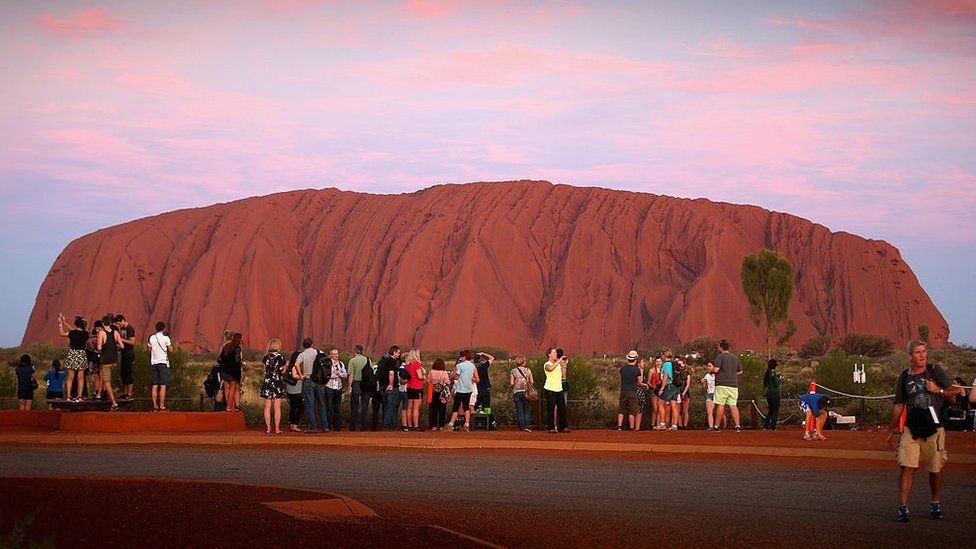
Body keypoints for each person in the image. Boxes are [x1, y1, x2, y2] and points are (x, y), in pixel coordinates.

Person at [886, 340, 959, 522]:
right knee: (907, 467)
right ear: (910, 356)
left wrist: (938, 389)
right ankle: (903, 508)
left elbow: (953, 393)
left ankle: (935, 503)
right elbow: (899, 405)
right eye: (917, 352)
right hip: (911, 429)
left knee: (935, 469)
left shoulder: (935, 371)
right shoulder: (904, 377)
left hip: (934, 428)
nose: (922, 355)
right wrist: (890, 430)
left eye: (924, 351)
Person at [709, 339, 742, 432]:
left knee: (720, 405)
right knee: (733, 405)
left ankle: (716, 426)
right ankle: (737, 426)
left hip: (722, 385)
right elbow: (740, 371)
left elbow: (716, 370)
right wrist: (731, 374)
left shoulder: (720, 357)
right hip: (734, 385)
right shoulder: (735, 357)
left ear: (720, 346)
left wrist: (710, 371)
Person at [296, 337, 327, 433]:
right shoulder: (319, 352)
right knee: (321, 403)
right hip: (319, 381)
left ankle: (313, 427)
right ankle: (325, 427)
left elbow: (296, 364)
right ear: (312, 344)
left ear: (303, 345)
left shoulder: (302, 354)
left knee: (310, 404)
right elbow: (326, 364)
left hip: (308, 380)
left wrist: (301, 375)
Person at [56, 315, 88, 402]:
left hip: (72, 354)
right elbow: (74, 329)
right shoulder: (86, 334)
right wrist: (64, 322)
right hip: (81, 354)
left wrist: (60, 324)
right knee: (80, 378)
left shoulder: (72, 333)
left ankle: (69, 396)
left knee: (70, 377)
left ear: (76, 324)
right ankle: (79, 396)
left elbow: (62, 333)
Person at [260, 339, 287, 434]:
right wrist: (285, 367)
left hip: (267, 382)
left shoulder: (266, 357)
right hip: (277, 382)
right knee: (277, 406)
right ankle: (277, 429)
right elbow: (283, 371)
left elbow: (265, 370)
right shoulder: (281, 357)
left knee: (267, 406)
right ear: (278, 346)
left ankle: (268, 429)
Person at [448, 350, 479, 432]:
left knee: (456, 407)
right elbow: (477, 379)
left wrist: (450, 378)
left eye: (461, 356)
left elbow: (456, 377)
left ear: (464, 357)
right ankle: (467, 424)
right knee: (466, 407)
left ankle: (450, 424)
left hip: (460, 389)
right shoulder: (473, 366)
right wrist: (470, 377)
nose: (460, 358)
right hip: (469, 390)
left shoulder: (459, 365)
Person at [97, 314, 122, 410]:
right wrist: (113, 346)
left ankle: (114, 403)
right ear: (111, 323)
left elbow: (99, 347)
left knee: (107, 382)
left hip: (106, 361)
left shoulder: (101, 333)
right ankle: (100, 394)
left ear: (103, 324)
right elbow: (122, 346)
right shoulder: (115, 332)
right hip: (114, 360)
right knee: (105, 377)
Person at [148, 322, 173, 412]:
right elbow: (171, 349)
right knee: (163, 385)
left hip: (154, 363)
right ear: (164, 328)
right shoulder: (166, 338)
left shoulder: (151, 337)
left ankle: (155, 406)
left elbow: (149, 350)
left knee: (154, 385)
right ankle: (162, 406)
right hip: (163, 363)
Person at [218, 332, 245, 413]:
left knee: (227, 388)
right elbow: (237, 360)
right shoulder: (237, 348)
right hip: (232, 372)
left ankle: (229, 406)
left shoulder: (226, 346)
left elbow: (219, 359)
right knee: (233, 388)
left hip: (223, 371)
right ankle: (230, 407)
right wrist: (242, 363)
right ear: (239, 339)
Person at [346, 345, 371, 432]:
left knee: (354, 406)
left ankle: (352, 427)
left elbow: (351, 375)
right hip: (366, 384)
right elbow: (371, 373)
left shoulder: (352, 361)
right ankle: (363, 427)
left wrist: (349, 387)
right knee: (365, 406)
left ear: (354, 351)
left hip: (356, 384)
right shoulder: (368, 360)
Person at [543, 348, 568, 433]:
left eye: (556, 352)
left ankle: (563, 427)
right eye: (554, 352)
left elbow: (562, 375)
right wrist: (559, 361)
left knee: (562, 409)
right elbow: (550, 369)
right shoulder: (547, 364)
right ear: (549, 354)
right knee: (551, 409)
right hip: (550, 390)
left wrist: (564, 364)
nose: (556, 353)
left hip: (559, 389)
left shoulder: (558, 364)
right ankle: (551, 428)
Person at [617, 351, 644, 431]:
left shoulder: (623, 368)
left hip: (623, 391)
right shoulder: (637, 370)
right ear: (635, 359)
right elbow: (640, 382)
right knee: (632, 411)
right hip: (633, 391)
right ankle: (632, 428)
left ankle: (619, 427)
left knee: (621, 409)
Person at [376, 346, 401, 431]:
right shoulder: (392, 362)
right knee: (391, 407)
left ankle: (387, 425)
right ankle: (387, 426)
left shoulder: (383, 361)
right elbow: (391, 373)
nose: (399, 354)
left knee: (385, 407)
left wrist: (379, 385)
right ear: (394, 352)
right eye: (398, 352)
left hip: (383, 387)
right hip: (391, 388)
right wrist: (391, 384)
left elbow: (378, 374)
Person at [324, 348, 347, 431]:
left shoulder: (341, 364)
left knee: (337, 408)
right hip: (329, 387)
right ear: (330, 355)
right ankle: (328, 426)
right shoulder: (327, 364)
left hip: (338, 387)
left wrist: (339, 374)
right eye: (334, 354)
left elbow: (345, 374)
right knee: (329, 408)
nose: (336, 355)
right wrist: (333, 375)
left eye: (337, 354)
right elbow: (326, 375)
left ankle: (337, 427)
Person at [114, 315, 137, 400]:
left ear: (123, 320)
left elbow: (132, 342)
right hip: (123, 353)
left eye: (119, 323)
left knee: (128, 373)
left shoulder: (130, 329)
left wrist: (121, 340)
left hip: (129, 354)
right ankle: (125, 393)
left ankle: (129, 393)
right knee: (123, 373)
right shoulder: (122, 329)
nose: (118, 325)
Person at [509, 355, 534, 432]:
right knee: (527, 410)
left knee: (519, 410)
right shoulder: (528, 370)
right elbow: (532, 382)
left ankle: (521, 428)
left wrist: (512, 384)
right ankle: (527, 427)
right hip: (526, 392)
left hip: (517, 392)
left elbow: (512, 383)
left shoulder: (513, 371)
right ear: (524, 362)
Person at [403, 349, 426, 431]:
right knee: (416, 408)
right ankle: (416, 426)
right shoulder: (417, 364)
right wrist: (423, 376)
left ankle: (409, 425)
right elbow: (419, 376)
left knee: (409, 408)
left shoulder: (407, 365)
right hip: (417, 387)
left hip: (409, 387)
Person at [428, 358, 451, 431]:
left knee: (434, 409)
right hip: (442, 393)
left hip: (433, 392)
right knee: (442, 410)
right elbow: (447, 382)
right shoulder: (444, 373)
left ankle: (433, 425)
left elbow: (429, 381)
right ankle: (441, 426)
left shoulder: (431, 372)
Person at [659, 351, 679, 430]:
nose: (661, 357)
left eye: (662, 356)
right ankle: (674, 425)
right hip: (675, 387)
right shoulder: (674, 364)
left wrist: (662, 388)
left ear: (665, 356)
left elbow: (665, 377)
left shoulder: (666, 364)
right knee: (674, 406)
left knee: (660, 403)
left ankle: (662, 423)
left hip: (669, 386)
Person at [285, 351, 304, 432]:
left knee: (293, 408)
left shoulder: (290, 365)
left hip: (290, 390)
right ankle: (295, 425)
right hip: (295, 390)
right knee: (301, 407)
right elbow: (294, 375)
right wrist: (302, 376)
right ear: (296, 358)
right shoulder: (294, 366)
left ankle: (292, 425)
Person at [763, 359, 782, 430]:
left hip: (768, 394)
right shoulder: (773, 373)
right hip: (775, 394)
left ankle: (765, 426)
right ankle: (773, 427)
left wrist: (777, 376)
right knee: (775, 411)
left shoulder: (767, 373)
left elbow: (767, 383)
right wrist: (780, 379)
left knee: (770, 410)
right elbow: (776, 384)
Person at [86, 321, 103, 400]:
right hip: (95, 359)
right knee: (96, 375)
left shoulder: (104, 334)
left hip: (103, 359)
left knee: (102, 376)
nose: (98, 329)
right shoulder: (92, 337)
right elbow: (89, 347)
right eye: (96, 328)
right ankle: (96, 392)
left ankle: (102, 392)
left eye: (99, 328)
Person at [673, 357, 692, 429]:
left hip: (685, 392)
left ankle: (685, 425)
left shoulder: (687, 372)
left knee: (685, 410)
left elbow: (688, 384)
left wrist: (684, 393)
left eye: (680, 364)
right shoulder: (676, 372)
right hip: (677, 391)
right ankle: (680, 425)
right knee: (678, 410)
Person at [648, 358, 664, 430]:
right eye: (657, 361)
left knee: (660, 407)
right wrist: (653, 387)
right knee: (655, 408)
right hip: (654, 391)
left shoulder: (663, 371)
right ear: (655, 362)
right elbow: (648, 382)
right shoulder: (651, 370)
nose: (658, 363)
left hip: (661, 391)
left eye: (660, 361)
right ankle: (652, 424)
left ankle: (658, 424)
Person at [702, 365, 717, 431]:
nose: (708, 368)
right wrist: (704, 383)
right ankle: (710, 426)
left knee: (720, 412)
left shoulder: (718, 375)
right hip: (709, 393)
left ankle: (723, 426)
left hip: (717, 394)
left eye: (710, 366)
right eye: (708, 366)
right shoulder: (707, 375)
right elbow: (705, 387)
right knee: (709, 411)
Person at [635, 357, 648, 431]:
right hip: (639, 391)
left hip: (635, 390)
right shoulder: (639, 371)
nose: (644, 364)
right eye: (642, 362)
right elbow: (639, 383)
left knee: (637, 409)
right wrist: (645, 385)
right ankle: (637, 428)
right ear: (639, 364)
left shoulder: (637, 370)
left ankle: (635, 427)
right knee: (639, 410)